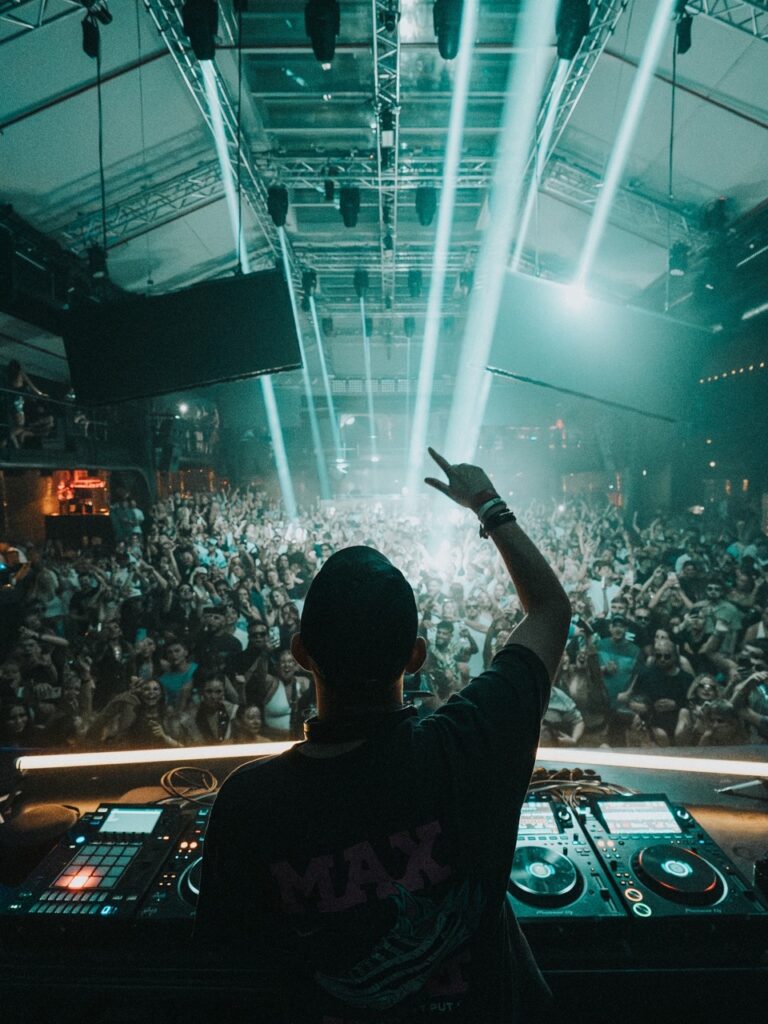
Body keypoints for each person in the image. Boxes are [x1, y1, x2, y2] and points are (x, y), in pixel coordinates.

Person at [195, 447, 570, 1024]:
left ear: (300, 656)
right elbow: (549, 609)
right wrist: (486, 504)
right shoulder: (468, 743)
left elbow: (233, 960)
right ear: (415, 657)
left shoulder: (249, 801)